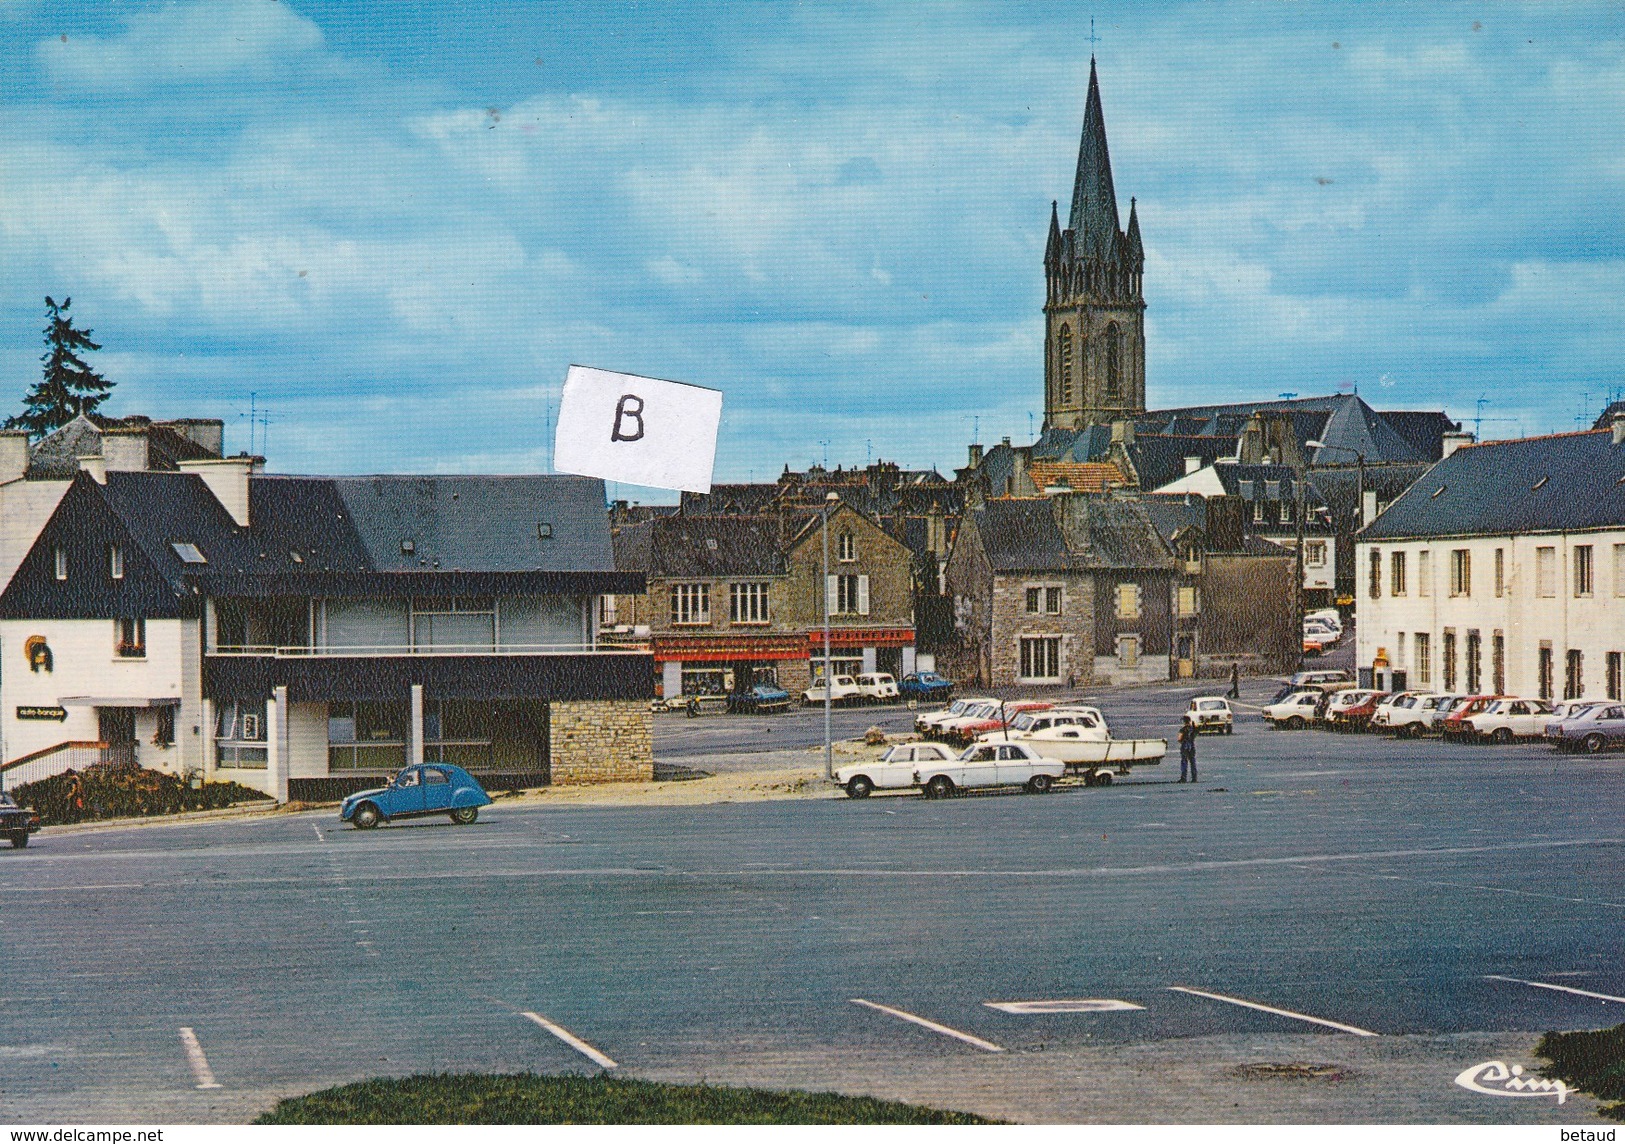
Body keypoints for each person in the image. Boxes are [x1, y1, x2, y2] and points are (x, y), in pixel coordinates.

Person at [1178, 717, 1198, 783]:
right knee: (1193, 762)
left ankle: (1183, 778)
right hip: (1191, 746)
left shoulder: (1183, 729)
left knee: (1184, 762)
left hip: (1185, 746)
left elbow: (1179, 738)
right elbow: (1196, 733)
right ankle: (1194, 778)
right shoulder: (1192, 729)